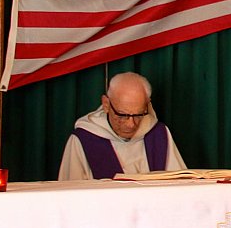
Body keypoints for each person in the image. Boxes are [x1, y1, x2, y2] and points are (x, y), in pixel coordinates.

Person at [58, 71, 187, 180]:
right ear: (106, 104)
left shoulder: (159, 134)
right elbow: (70, 197)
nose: (131, 124)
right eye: (122, 115)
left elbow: (179, 187)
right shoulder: (84, 139)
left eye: (138, 115)